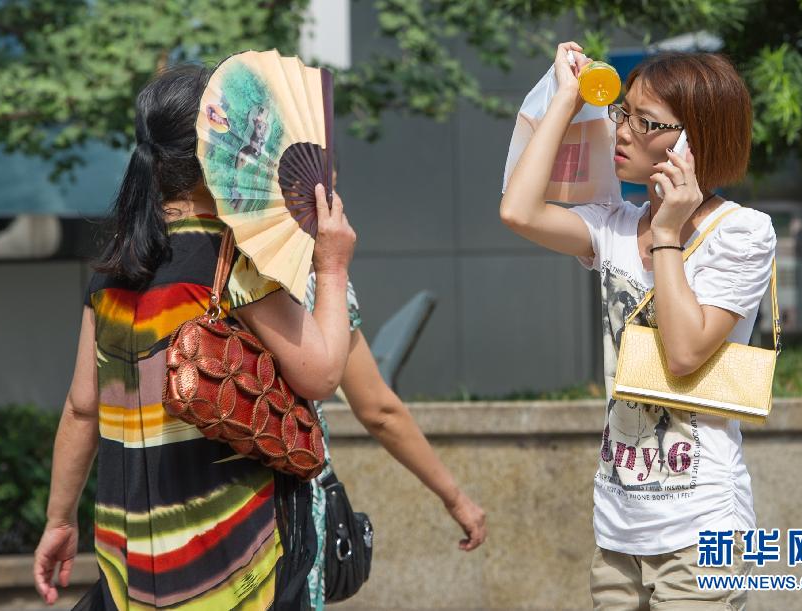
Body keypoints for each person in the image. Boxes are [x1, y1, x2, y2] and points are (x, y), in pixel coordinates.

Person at [33, 65, 356, 610]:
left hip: (128, 570)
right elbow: (321, 372)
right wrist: (332, 266)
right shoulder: (230, 263)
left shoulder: (113, 271)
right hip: (228, 567)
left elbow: (82, 409)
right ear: (222, 157)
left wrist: (58, 521)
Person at [500, 43, 776, 610]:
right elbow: (518, 211)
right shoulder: (615, 226)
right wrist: (567, 98)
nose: (621, 133)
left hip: (704, 527)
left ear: (692, 140)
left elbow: (684, 353)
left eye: (644, 122)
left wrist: (670, 232)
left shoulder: (742, 233)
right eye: (622, 113)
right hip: (618, 524)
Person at [302, 261, 488, 609]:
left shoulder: (180, 261)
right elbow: (378, 409)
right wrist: (455, 498)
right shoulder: (311, 277)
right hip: (284, 514)